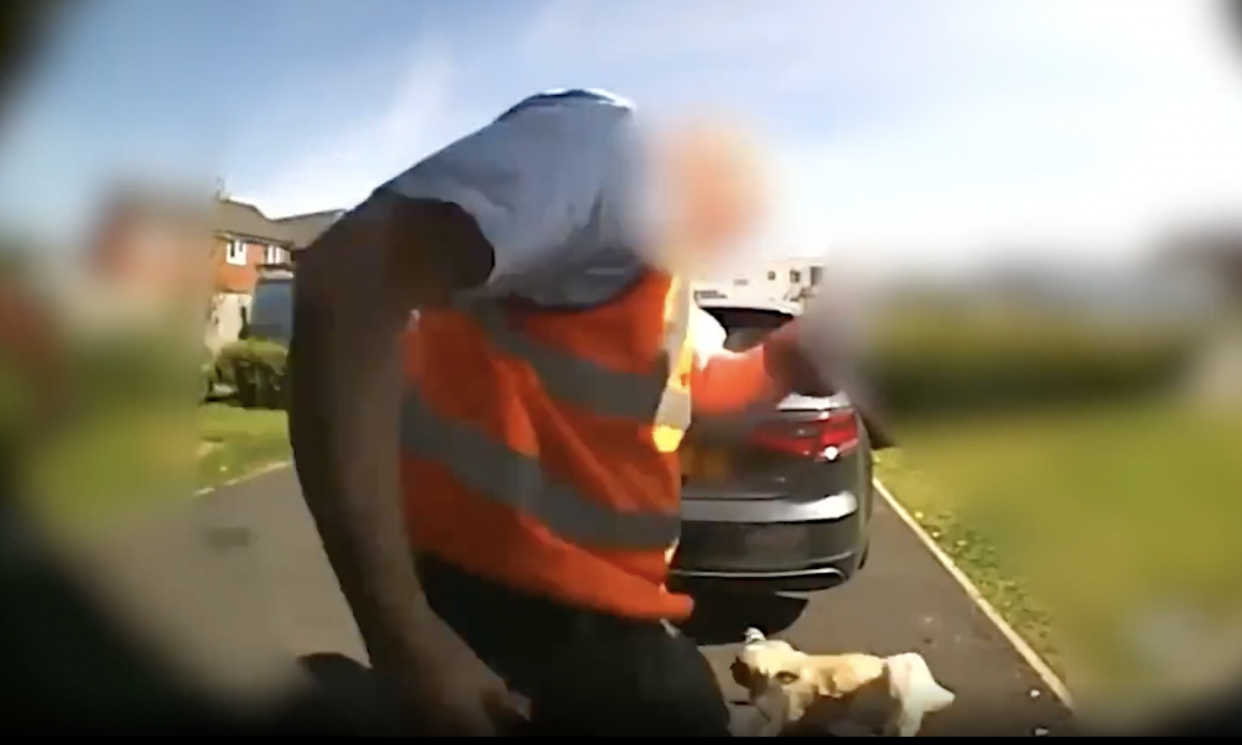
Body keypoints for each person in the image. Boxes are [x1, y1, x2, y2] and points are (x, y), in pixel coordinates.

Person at [288, 88, 854, 736]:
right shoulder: (604, 148)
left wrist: (783, 362)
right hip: (530, 621)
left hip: (604, 620)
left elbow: (685, 398)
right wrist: (407, 640)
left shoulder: (658, 267)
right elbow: (347, 280)